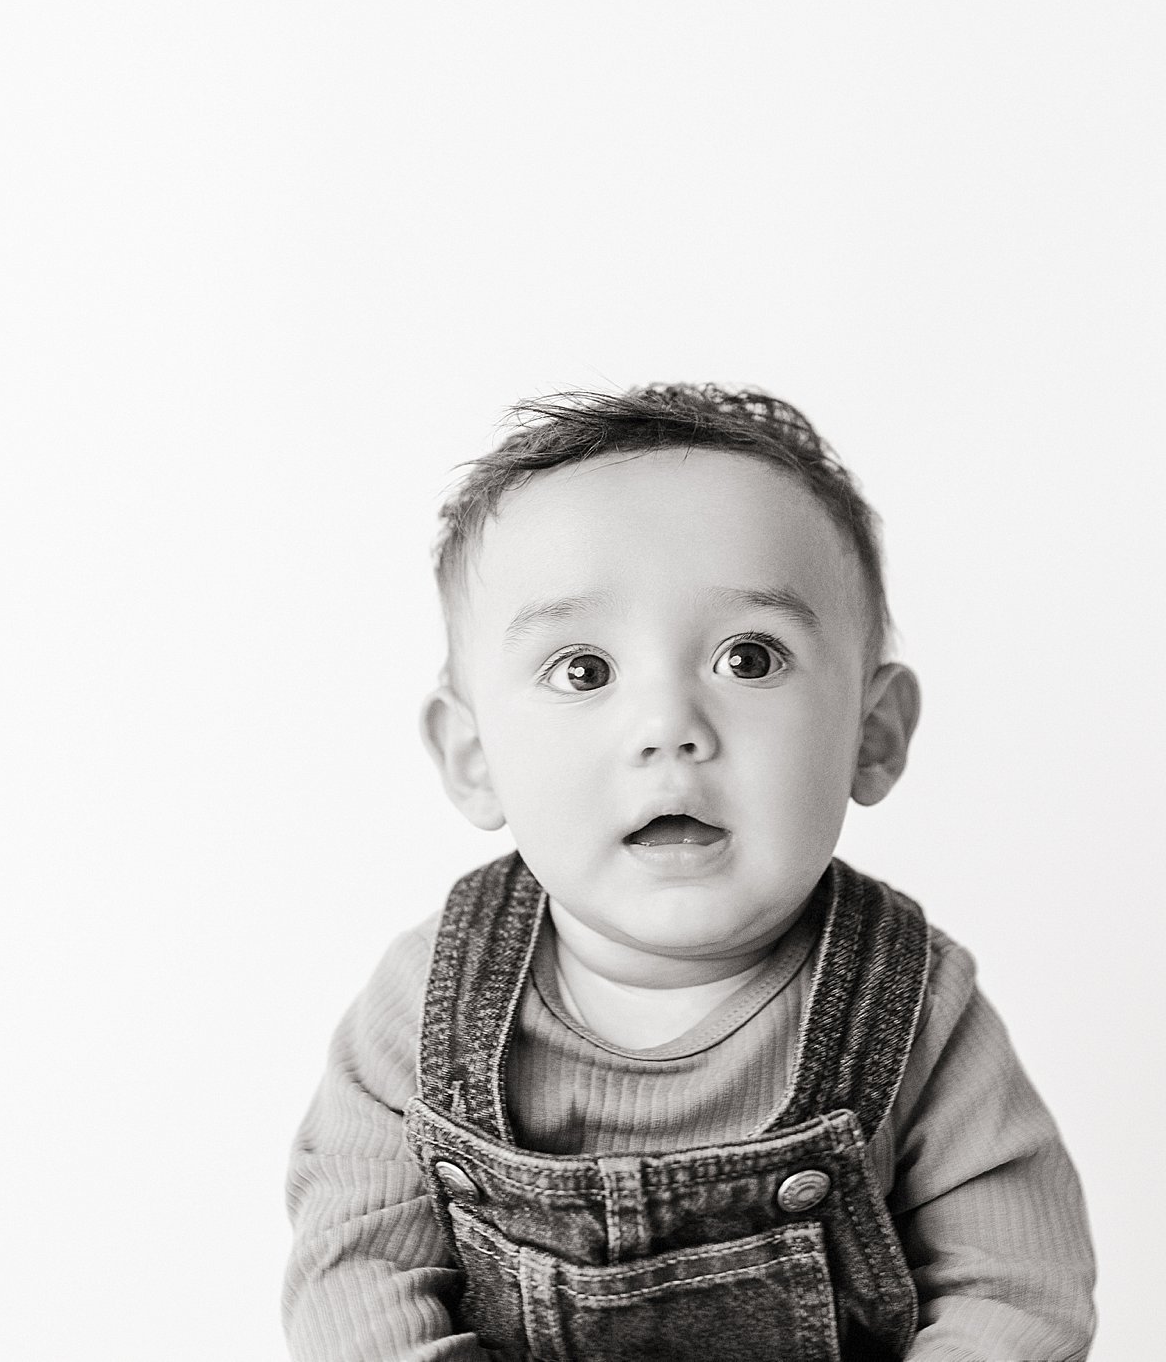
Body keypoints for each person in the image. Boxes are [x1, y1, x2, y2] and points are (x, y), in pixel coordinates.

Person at [284, 385, 1096, 1361]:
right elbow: (356, 1281)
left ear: (871, 735)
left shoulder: (915, 1004)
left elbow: (1014, 1292)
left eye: (747, 658)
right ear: (472, 757)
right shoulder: (420, 1012)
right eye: (583, 670)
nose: (669, 725)